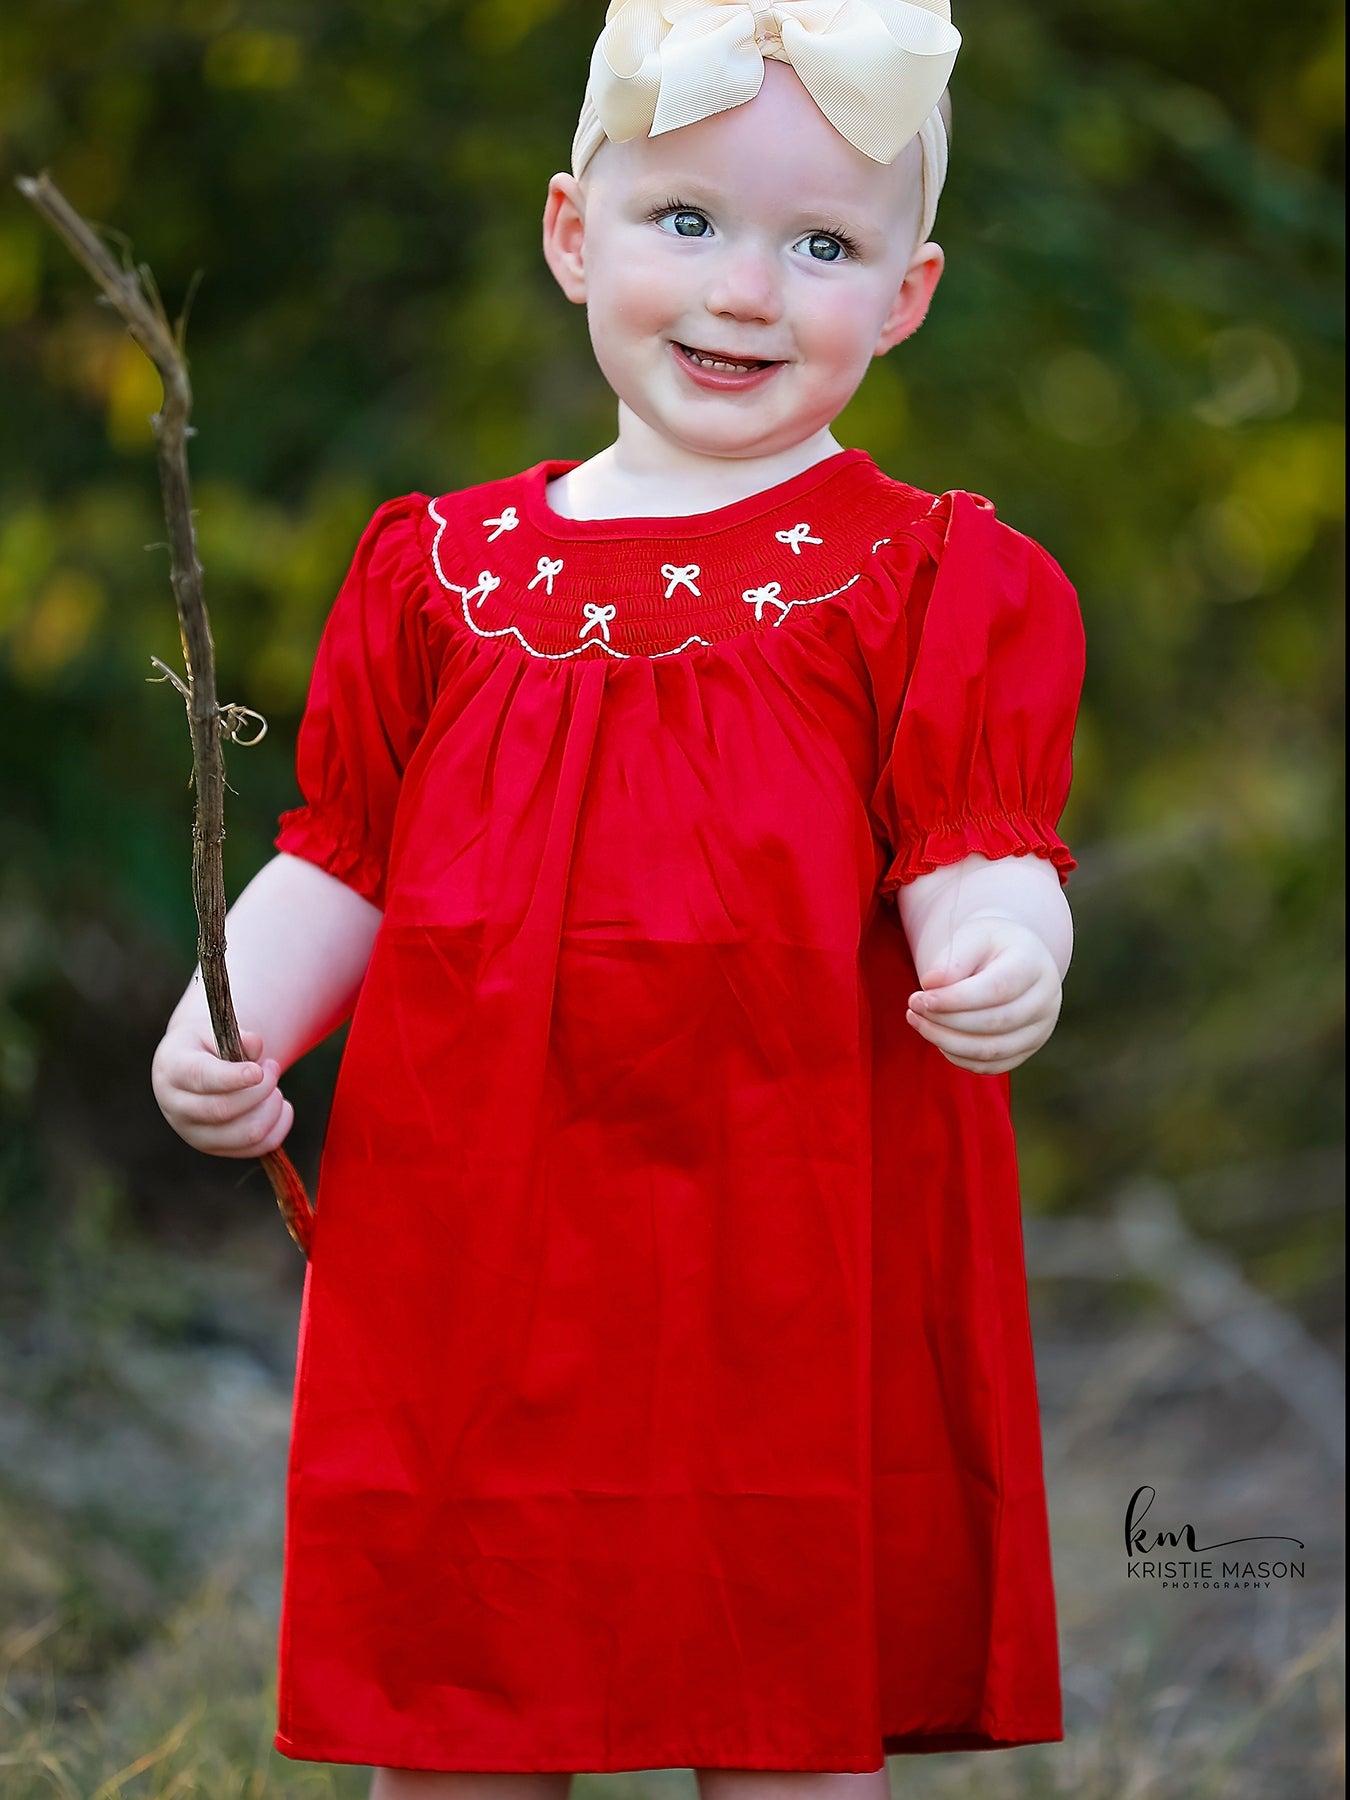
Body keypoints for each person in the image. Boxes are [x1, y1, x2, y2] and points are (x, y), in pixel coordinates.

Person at [152, 3, 1087, 1797]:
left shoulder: (927, 575)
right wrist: (229, 1016)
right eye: (688, 223)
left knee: (776, 1679)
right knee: (463, 1691)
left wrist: (1001, 948)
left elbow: (978, 843)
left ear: (905, 293)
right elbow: (342, 852)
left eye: (822, 245)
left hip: (782, 1225)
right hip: (477, 1229)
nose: (746, 289)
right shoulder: (442, 566)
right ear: (574, 232)